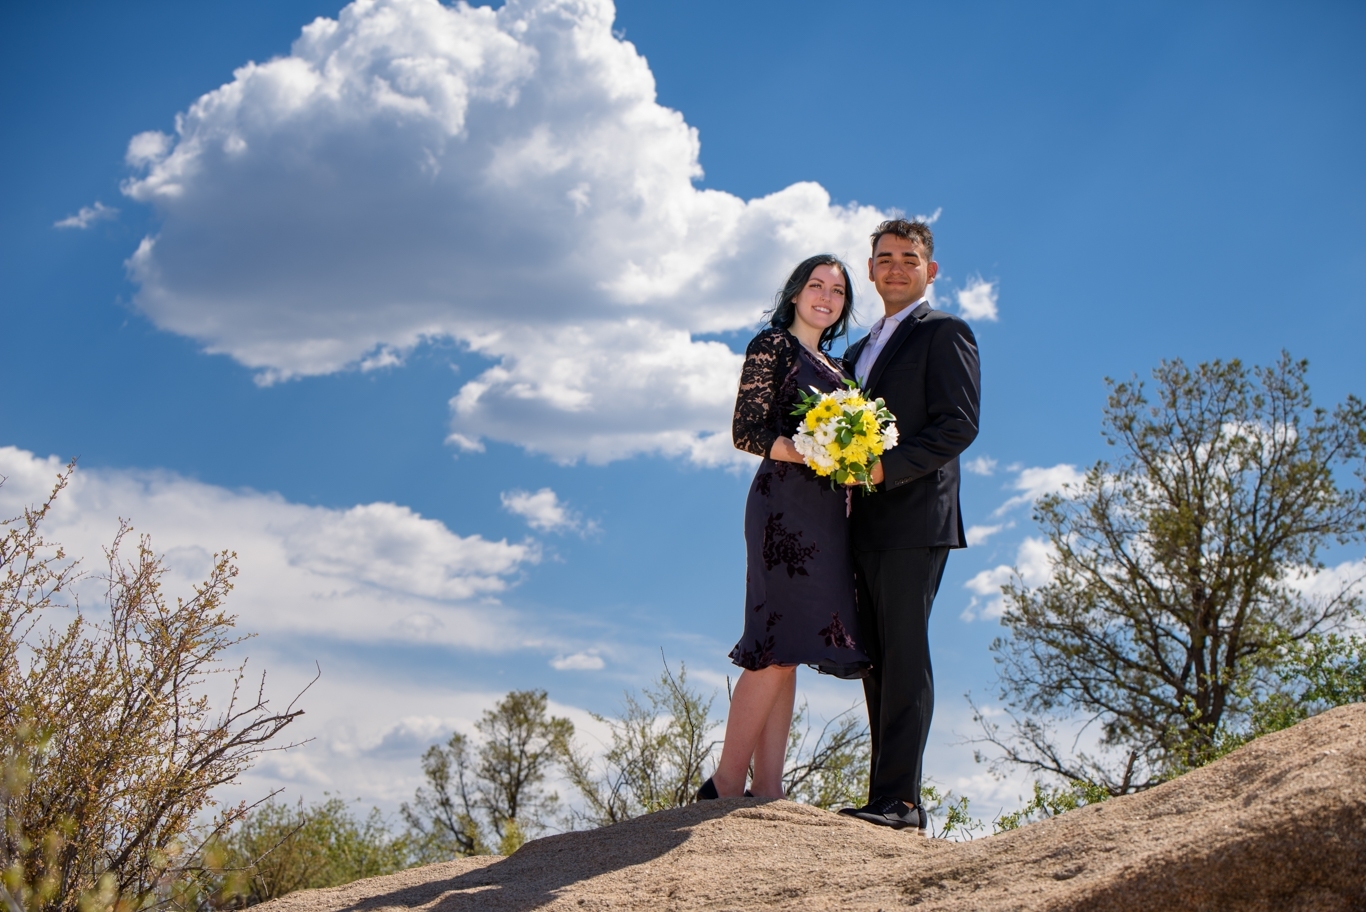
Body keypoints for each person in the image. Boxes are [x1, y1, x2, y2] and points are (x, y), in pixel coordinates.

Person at [697, 254, 872, 800]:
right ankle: (725, 784)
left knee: (791, 647)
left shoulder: (842, 371)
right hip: (782, 512)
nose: (826, 297)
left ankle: (768, 789)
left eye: (838, 291)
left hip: (828, 519)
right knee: (773, 642)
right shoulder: (771, 346)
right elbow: (746, 432)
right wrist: (815, 452)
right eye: (816, 285)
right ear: (795, 293)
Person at [838, 219, 981, 830]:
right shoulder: (852, 352)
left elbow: (958, 426)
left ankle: (901, 802)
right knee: (874, 659)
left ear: (931, 270)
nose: (896, 267)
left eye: (910, 257)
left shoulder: (945, 332)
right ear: (869, 269)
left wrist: (880, 470)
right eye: (885, 257)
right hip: (859, 525)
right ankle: (882, 798)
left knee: (905, 652)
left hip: (915, 517)